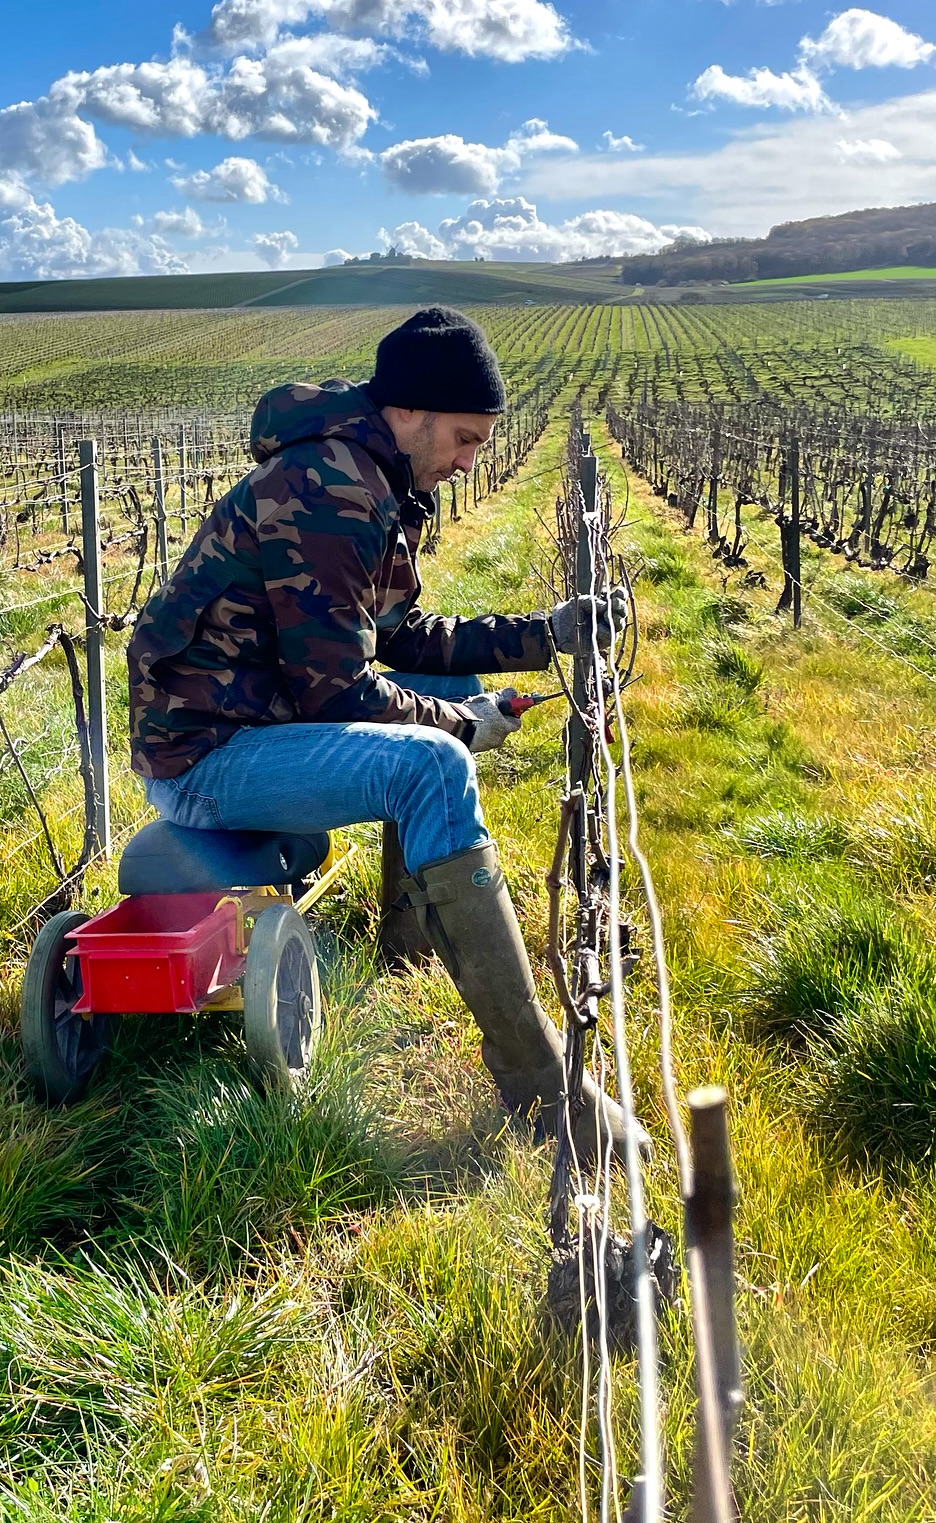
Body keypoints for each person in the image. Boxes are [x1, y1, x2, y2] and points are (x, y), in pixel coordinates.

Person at [126, 305, 646, 1164]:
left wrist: (543, 632)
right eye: (464, 437)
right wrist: (462, 728)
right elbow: (337, 690)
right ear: (407, 411)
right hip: (207, 755)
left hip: (262, 720)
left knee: (446, 690)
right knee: (437, 765)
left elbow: (401, 638)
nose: (470, 460)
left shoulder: (370, 476)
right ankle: (544, 1087)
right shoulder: (327, 487)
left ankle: (408, 934)